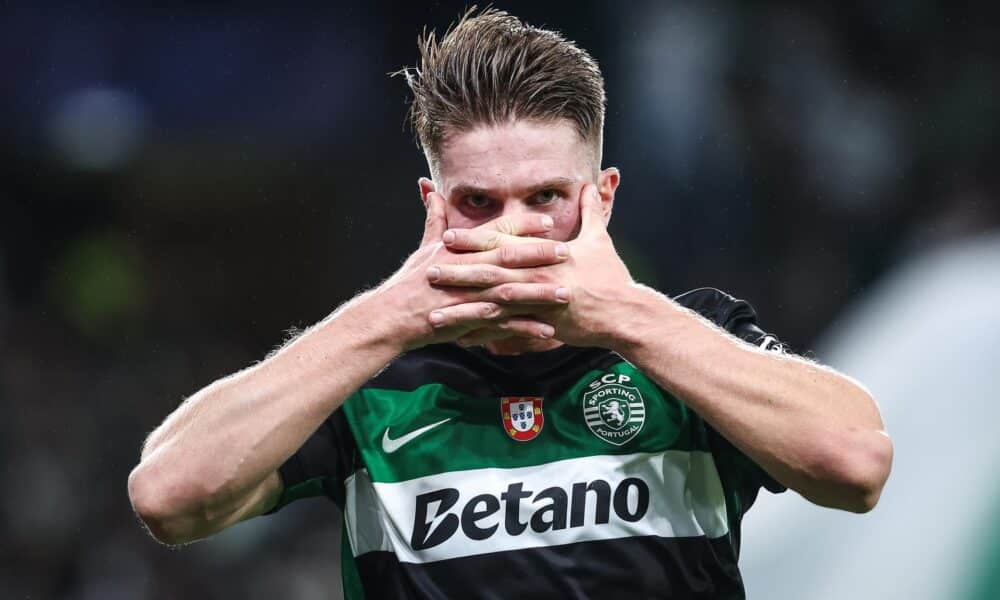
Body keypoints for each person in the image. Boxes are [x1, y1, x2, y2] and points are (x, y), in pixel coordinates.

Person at [127, 9, 893, 599]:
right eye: (478, 201)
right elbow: (168, 495)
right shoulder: (374, 382)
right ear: (433, 206)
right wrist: (390, 315)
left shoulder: (693, 343)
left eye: (546, 197)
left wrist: (623, 313)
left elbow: (857, 463)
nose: (513, 231)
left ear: (602, 198)